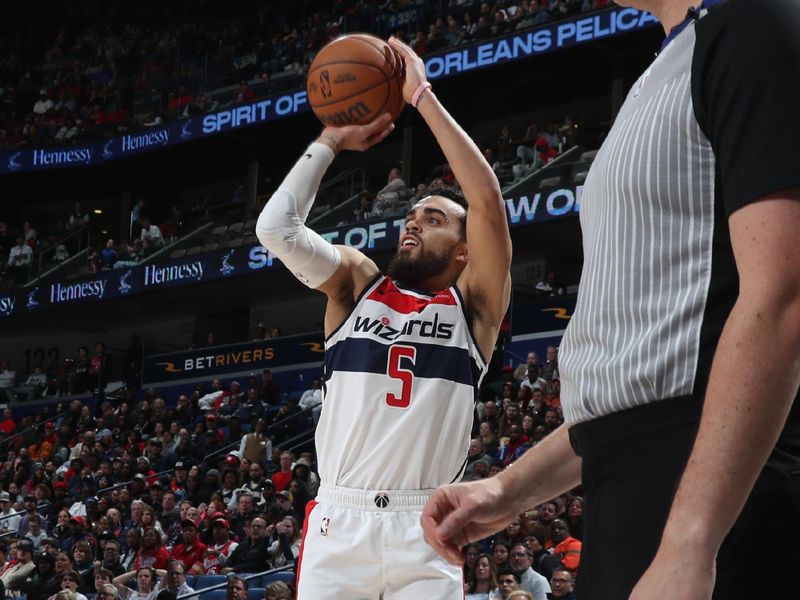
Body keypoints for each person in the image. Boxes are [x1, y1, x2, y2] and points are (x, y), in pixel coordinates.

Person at [421, 1, 800, 600]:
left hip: (714, 494)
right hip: (639, 487)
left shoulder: (752, 22)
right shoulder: (672, 59)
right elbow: (642, 384)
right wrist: (510, 488)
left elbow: (784, 295)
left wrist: (691, 540)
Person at [255, 35, 511, 600]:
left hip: (425, 523)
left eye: (437, 218)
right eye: (413, 214)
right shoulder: (356, 283)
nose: (414, 223)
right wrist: (331, 139)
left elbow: (488, 202)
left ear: (465, 252)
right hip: (340, 520)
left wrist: (420, 95)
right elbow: (275, 230)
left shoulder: (473, 309)